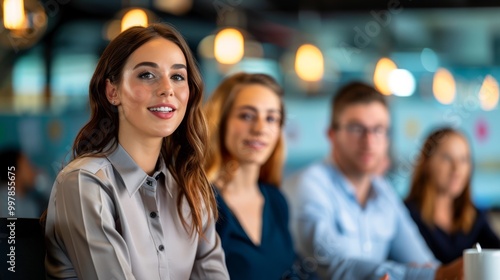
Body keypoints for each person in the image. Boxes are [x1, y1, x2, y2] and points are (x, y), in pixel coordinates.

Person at [43, 23, 229, 279]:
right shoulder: (84, 182)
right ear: (113, 91)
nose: (167, 89)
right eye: (147, 75)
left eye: (177, 76)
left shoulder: (192, 188)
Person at [282, 81, 463, 280]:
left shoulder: (384, 193)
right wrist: (437, 274)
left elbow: (422, 261)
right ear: (332, 135)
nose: (369, 141)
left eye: (378, 129)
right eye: (356, 128)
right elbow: (336, 267)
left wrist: (439, 273)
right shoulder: (309, 185)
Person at [204, 72, 309, 279]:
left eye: (271, 118)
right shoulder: (199, 203)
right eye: (247, 116)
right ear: (220, 122)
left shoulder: (276, 200)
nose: (260, 129)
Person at [405, 127, 500, 264]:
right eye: (447, 158)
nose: (457, 168)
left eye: (464, 159)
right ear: (426, 163)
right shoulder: (406, 216)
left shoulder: (475, 216)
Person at [0, 147, 46, 218]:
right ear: (14, 172)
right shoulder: (2, 205)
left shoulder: (32, 204)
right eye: (28, 165)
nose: (34, 170)